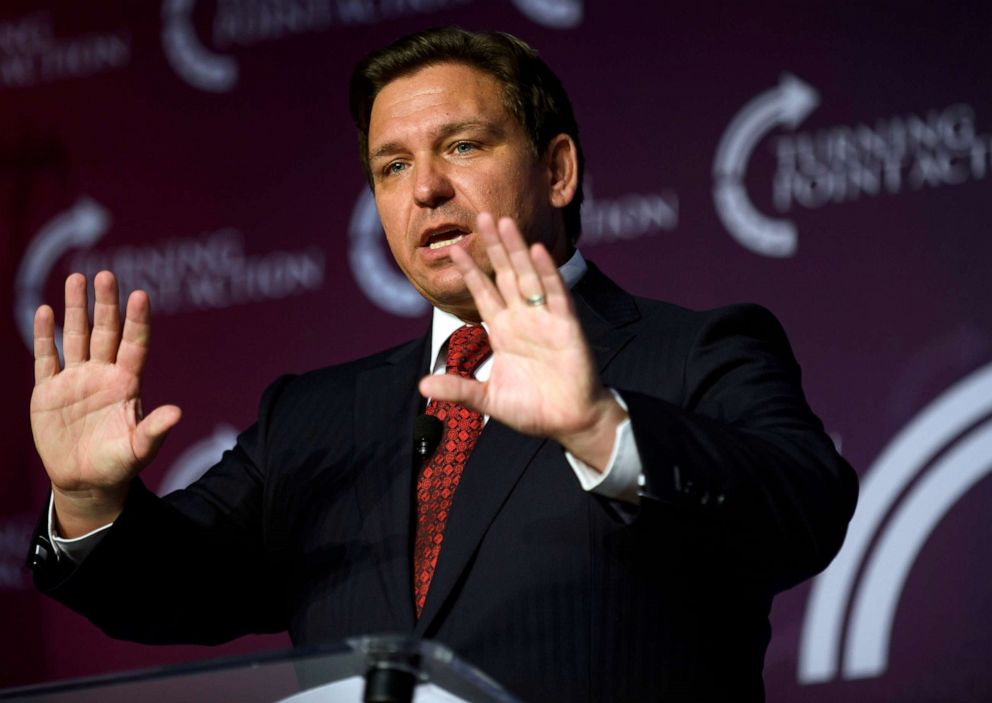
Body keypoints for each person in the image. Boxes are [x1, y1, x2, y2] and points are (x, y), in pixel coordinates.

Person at [27, 27, 857, 702]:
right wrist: (91, 500)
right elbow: (175, 586)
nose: (423, 188)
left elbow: (805, 509)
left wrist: (601, 428)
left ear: (557, 170)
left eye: (461, 145)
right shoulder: (313, 416)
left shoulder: (695, 349)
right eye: (392, 166)